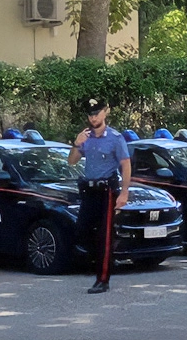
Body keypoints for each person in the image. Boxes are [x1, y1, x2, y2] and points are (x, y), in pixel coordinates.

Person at [68, 98, 131, 294]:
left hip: (107, 191)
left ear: (105, 113)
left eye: (96, 113)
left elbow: (126, 165)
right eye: (90, 114)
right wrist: (76, 144)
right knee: (82, 231)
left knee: (104, 235)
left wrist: (125, 192)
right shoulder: (86, 137)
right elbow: (71, 161)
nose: (93, 117)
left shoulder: (115, 137)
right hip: (90, 191)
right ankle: (107, 255)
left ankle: (102, 279)